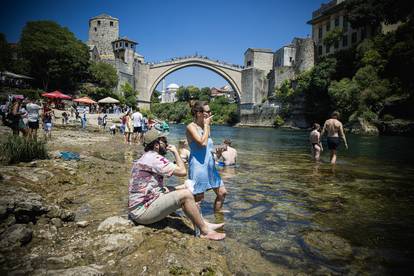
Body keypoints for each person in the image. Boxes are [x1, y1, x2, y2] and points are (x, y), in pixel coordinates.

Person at [128, 128, 225, 240]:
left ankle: (203, 223)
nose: (167, 143)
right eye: (163, 140)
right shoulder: (154, 158)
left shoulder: (146, 157)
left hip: (139, 207)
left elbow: (156, 188)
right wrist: (175, 152)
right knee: (186, 195)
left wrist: (181, 187)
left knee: (183, 187)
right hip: (142, 213)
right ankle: (204, 231)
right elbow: (182, 172)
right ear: (156, 144)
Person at [186, 101, 227, 213]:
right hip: (198, 166)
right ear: (199, 113)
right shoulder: (191, 127)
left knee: (222, 193)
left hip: (210, 166)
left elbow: (208, 148)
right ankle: (198, 227)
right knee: (199, 199)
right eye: (208, 111)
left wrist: (218, 152)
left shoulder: (206, 127)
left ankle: (218, 218)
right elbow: (201, 143)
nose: (210, 113)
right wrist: (207, 125)